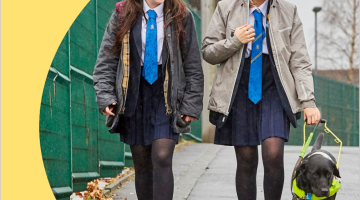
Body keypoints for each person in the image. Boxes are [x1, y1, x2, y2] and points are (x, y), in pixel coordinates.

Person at [202, 0, 321, 199]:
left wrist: (308, 101)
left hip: (275, 86)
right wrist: (235, 40)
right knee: (246, 159)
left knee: (273, 154)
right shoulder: (226, 7)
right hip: (239, 86)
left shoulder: (288, 10)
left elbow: (300, 60)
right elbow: (208, 52)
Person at [93, 0, 204, 199]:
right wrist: (106, 96)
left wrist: (192, 103)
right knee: (142, 162)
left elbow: (192, 64)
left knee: (162, 156)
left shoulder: (181, 15)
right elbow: (106, 60)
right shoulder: (122, 13)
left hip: (167, 94)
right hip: (134, 94)